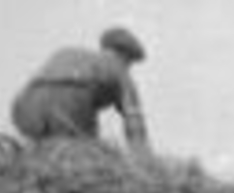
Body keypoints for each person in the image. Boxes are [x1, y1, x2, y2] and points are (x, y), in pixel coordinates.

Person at [12, 28, 150, 150]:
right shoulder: (119, 68)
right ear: (125, 55)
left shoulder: (68, 52)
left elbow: (43, 82)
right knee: (84, 152)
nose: (129, 66)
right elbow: (134, 120)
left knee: (47, 151)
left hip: (26, 103)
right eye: (130, 62)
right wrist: (144, 160)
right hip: (69, 100)